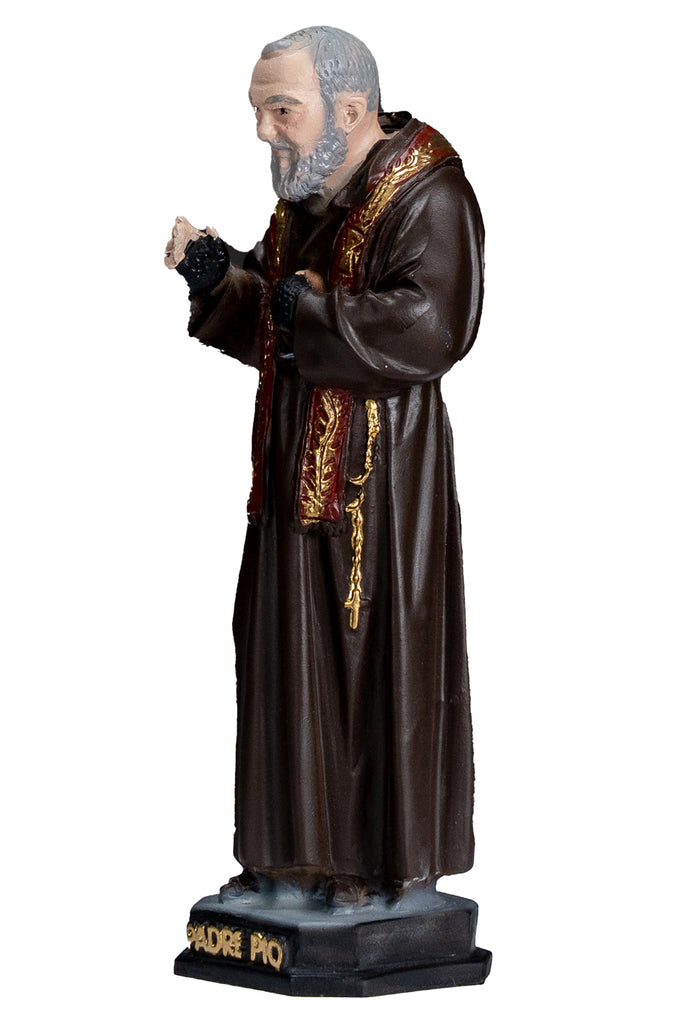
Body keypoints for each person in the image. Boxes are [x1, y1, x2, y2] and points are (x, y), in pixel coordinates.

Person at [166, 25, 485, 909]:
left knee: (369, 658)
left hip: (379, 482)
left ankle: (369, 867)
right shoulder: (309, 197)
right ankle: (285, 858)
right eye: (260, 112)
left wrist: (310, 310)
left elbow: (432, 326)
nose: (264, 132)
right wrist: (216, 276)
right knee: (281, 655)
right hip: (288, 467)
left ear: (348, 109)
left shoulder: (427, 195)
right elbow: (274, 320)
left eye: (282, 111)